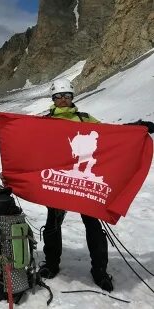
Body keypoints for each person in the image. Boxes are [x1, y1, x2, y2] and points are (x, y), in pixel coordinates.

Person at [37, 78, 114, 290]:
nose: (62, 100)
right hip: (59, 180)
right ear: (53, 99)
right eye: (58, 96)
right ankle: (51, 264)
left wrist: (136, 129)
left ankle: (100, 271)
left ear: (72, 97)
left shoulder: (86, 119)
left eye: (66, 96)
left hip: (83, 181)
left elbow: (111, 134)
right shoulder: (44, 121)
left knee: (93, 226)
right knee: (53, 224)